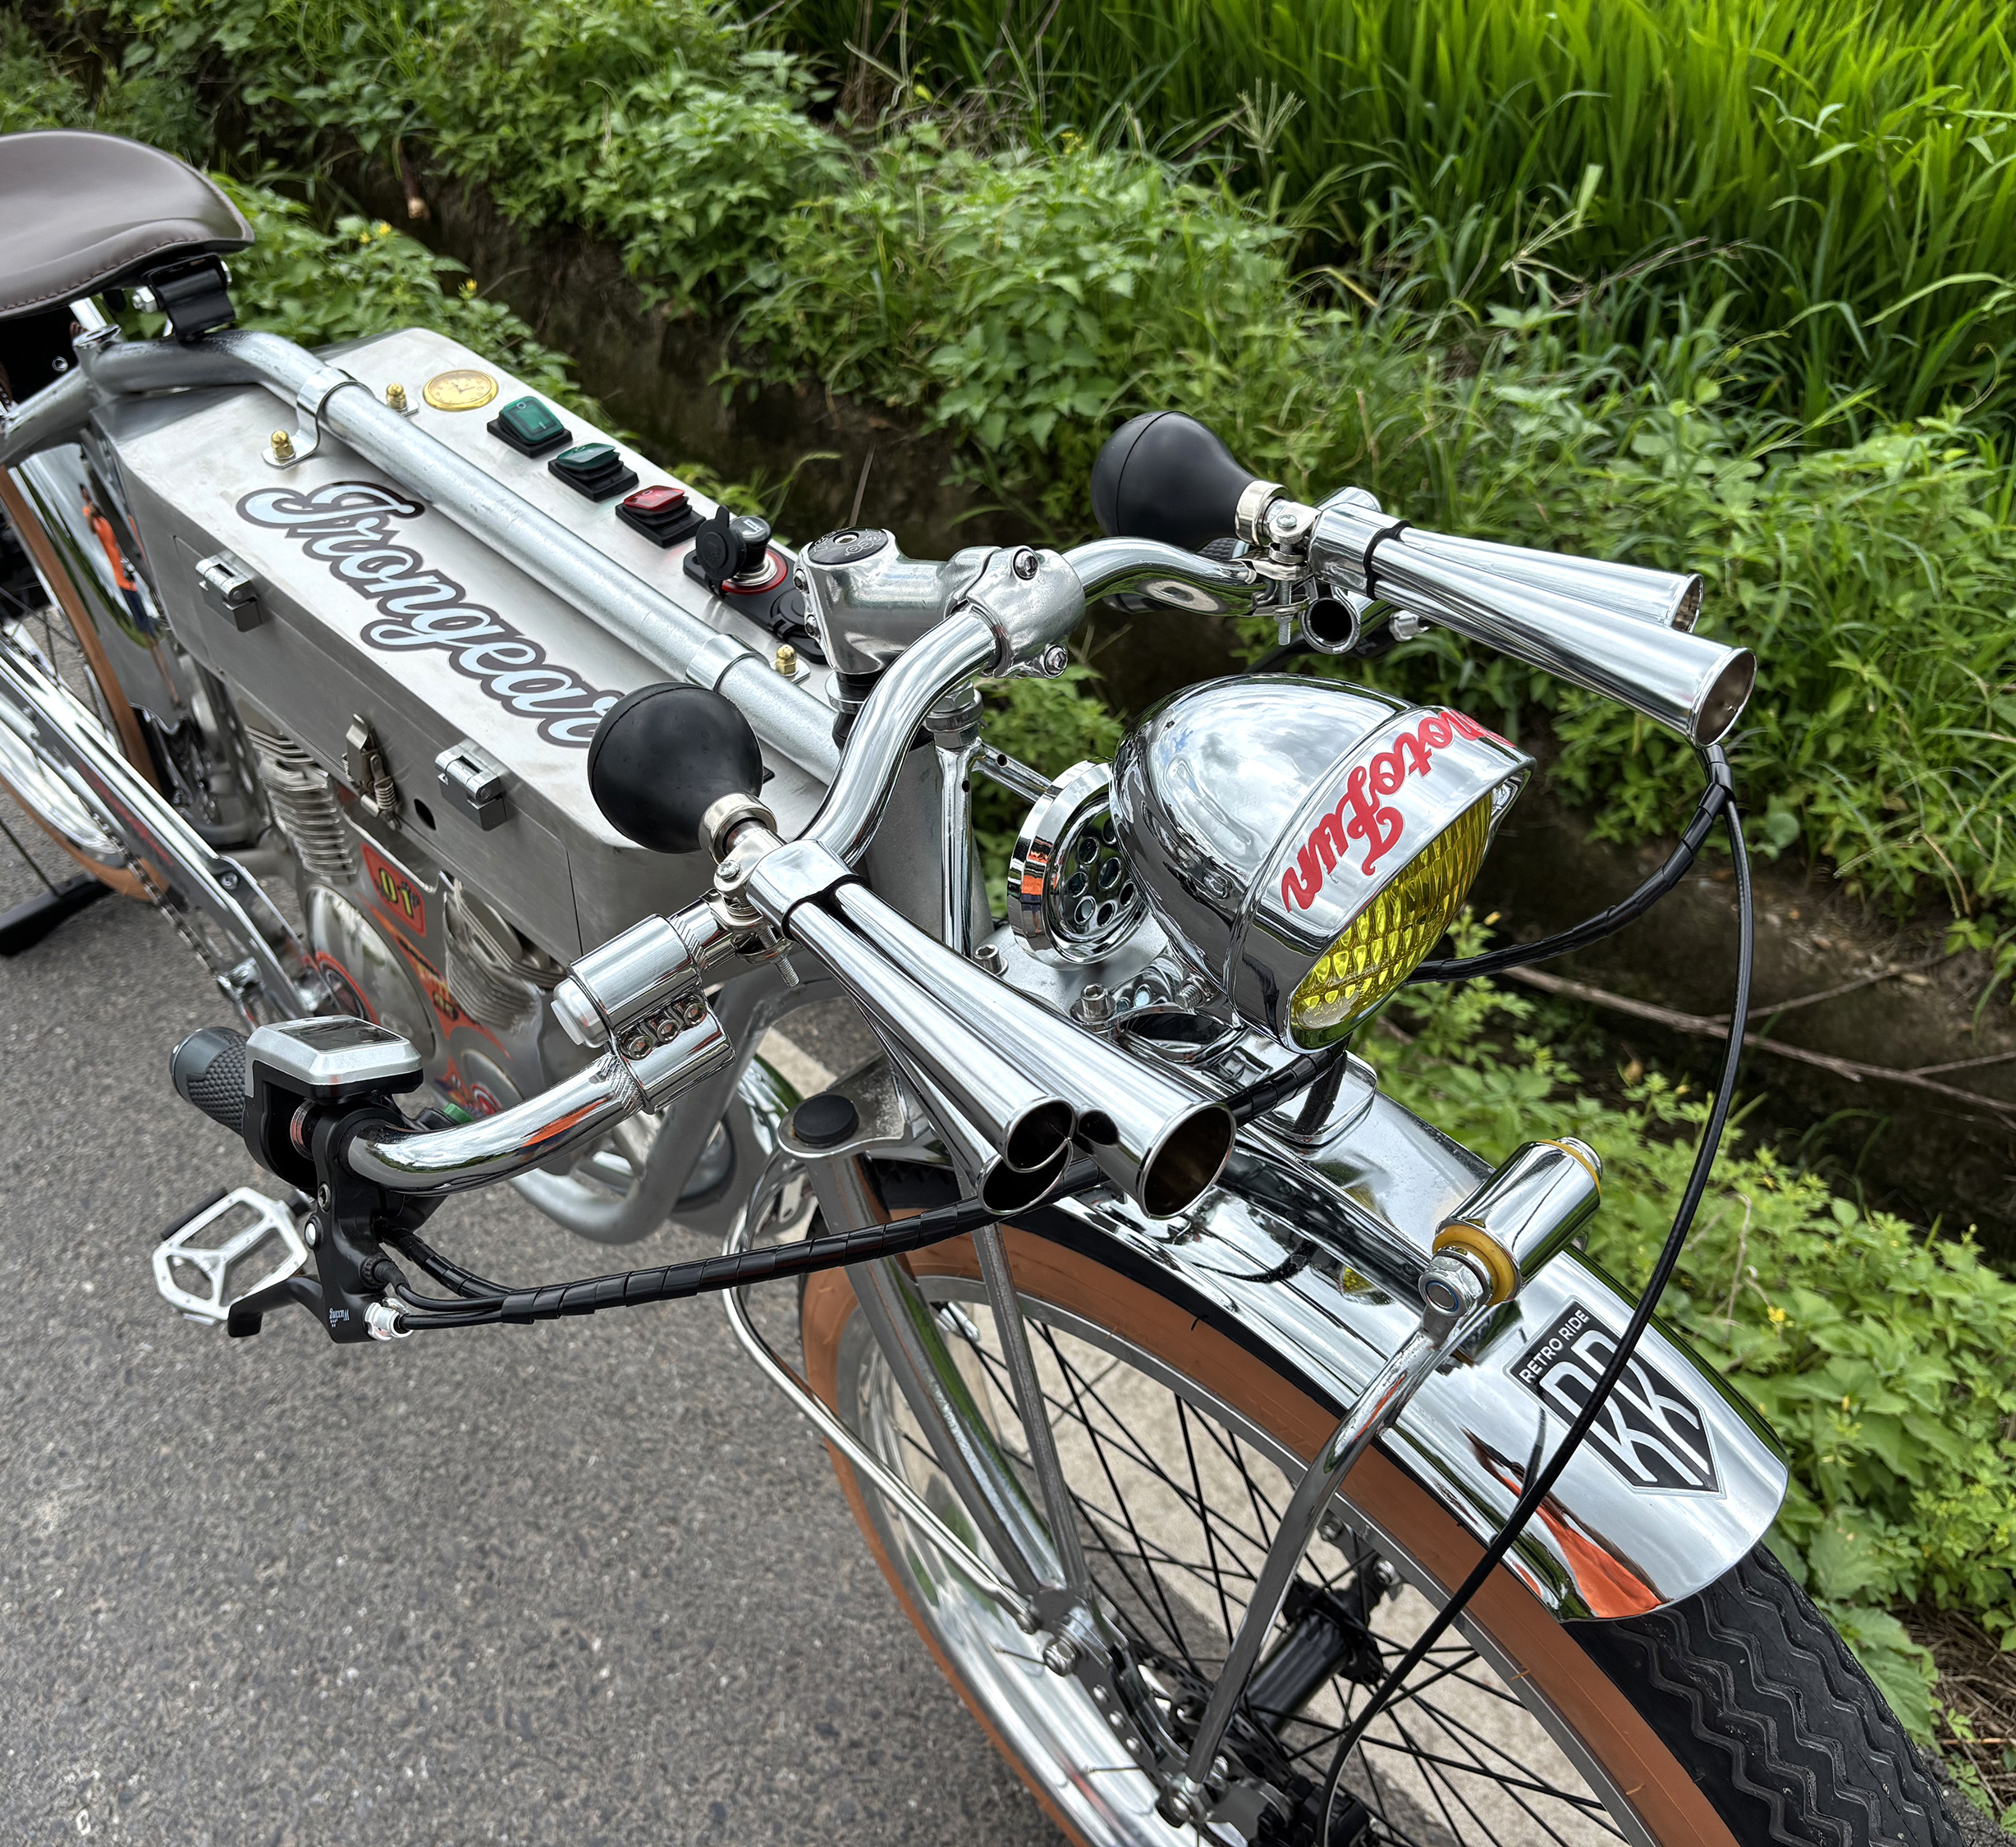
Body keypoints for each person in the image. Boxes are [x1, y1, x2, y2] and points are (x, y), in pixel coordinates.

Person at [82, 486, 156, 639]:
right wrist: (92, 513)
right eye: (84, 491)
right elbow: (91, 528)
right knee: (140, 617)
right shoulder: (93, 517)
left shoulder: (110, 515)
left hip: (137, 566)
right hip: (122, 577)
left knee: (149, 612)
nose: (87, 493)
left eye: (87, 490)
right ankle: (149, 637)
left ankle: (152, 635)